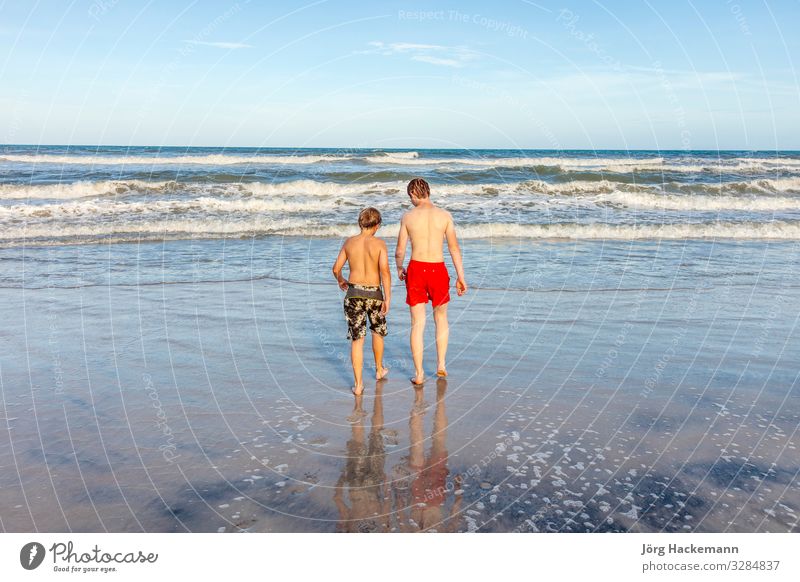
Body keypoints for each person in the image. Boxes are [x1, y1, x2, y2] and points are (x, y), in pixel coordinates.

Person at [395, 178, 467, 385]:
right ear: (428, 192)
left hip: (417, 268)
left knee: (417, 324)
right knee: (441, 319)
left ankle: (418, 374)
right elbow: (454, 248)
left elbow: (400, 250)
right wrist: (461, 276)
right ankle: (441, 365)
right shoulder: (444, 216)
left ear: (412, 195)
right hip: (438, 268)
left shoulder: (408, 217)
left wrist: (400, 268)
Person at [332, 207, 391, 394]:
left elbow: (335, 269)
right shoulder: (379, 244)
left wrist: (341, 280)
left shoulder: (350, 242)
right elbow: (385, 273)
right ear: (377, 225)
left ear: (360, 223)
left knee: (357, 340)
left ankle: (358, 385)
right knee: (377, 332)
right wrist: (387, 298)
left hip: (353, 294)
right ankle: (379, 369)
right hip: (374, 294)